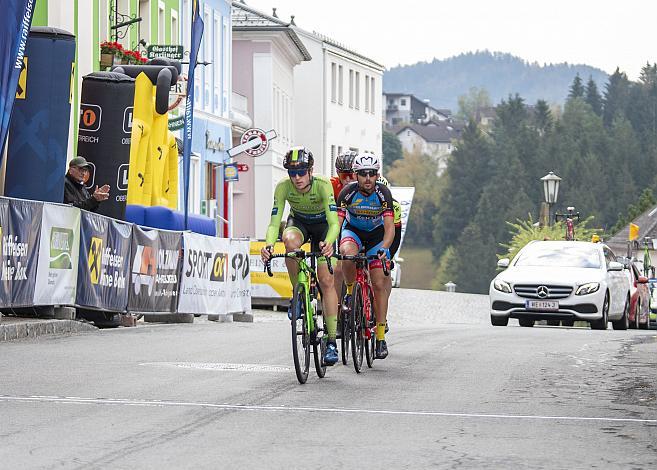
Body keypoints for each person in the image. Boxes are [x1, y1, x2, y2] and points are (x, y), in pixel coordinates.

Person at [260, 146, 341, 366]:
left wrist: (330, 242)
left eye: (301, 172)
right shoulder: (283, 188)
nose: (296, 178)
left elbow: (334, 222)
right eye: (292, 173)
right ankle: (298, 296)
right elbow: (274, 223)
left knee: (326, 280)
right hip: (301, 224)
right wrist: (268, 245)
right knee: (289, 241)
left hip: (325, 228)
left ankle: (332, 340)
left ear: (311, 170)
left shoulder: (323, 185)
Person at [337, 152, 395, 359]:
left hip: (377, 237)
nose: (368, 178)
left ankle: (380, 338)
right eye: (363, 174)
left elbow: (389, 228)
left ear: (377, 174)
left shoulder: (383, 193)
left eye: (372, 173)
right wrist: (331, 243)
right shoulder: (347, 193)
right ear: (356, 175)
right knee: (346, 254)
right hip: (354, 232)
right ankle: (350, 291)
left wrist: (384, 248)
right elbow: (337, 223)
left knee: (379, 284)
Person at [330, 151, 357, 332]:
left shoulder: (367, 184)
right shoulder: (332, 185)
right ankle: (338, 317)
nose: (347, 179)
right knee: (337, 269)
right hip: (340, 225)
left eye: (351, 175)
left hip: (360, 226)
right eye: (343, 175)